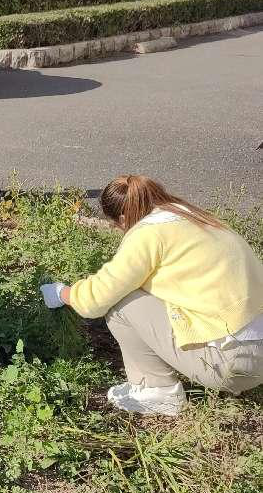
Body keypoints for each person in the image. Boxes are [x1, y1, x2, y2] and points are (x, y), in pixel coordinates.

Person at [41, 175, 263, 416]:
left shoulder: (147, 234)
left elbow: (96, 299)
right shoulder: (195, 217)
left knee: (120, 303)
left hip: (231, 363)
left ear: (124, 218)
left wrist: (63, 293)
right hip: (251, 347)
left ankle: (158, 392)